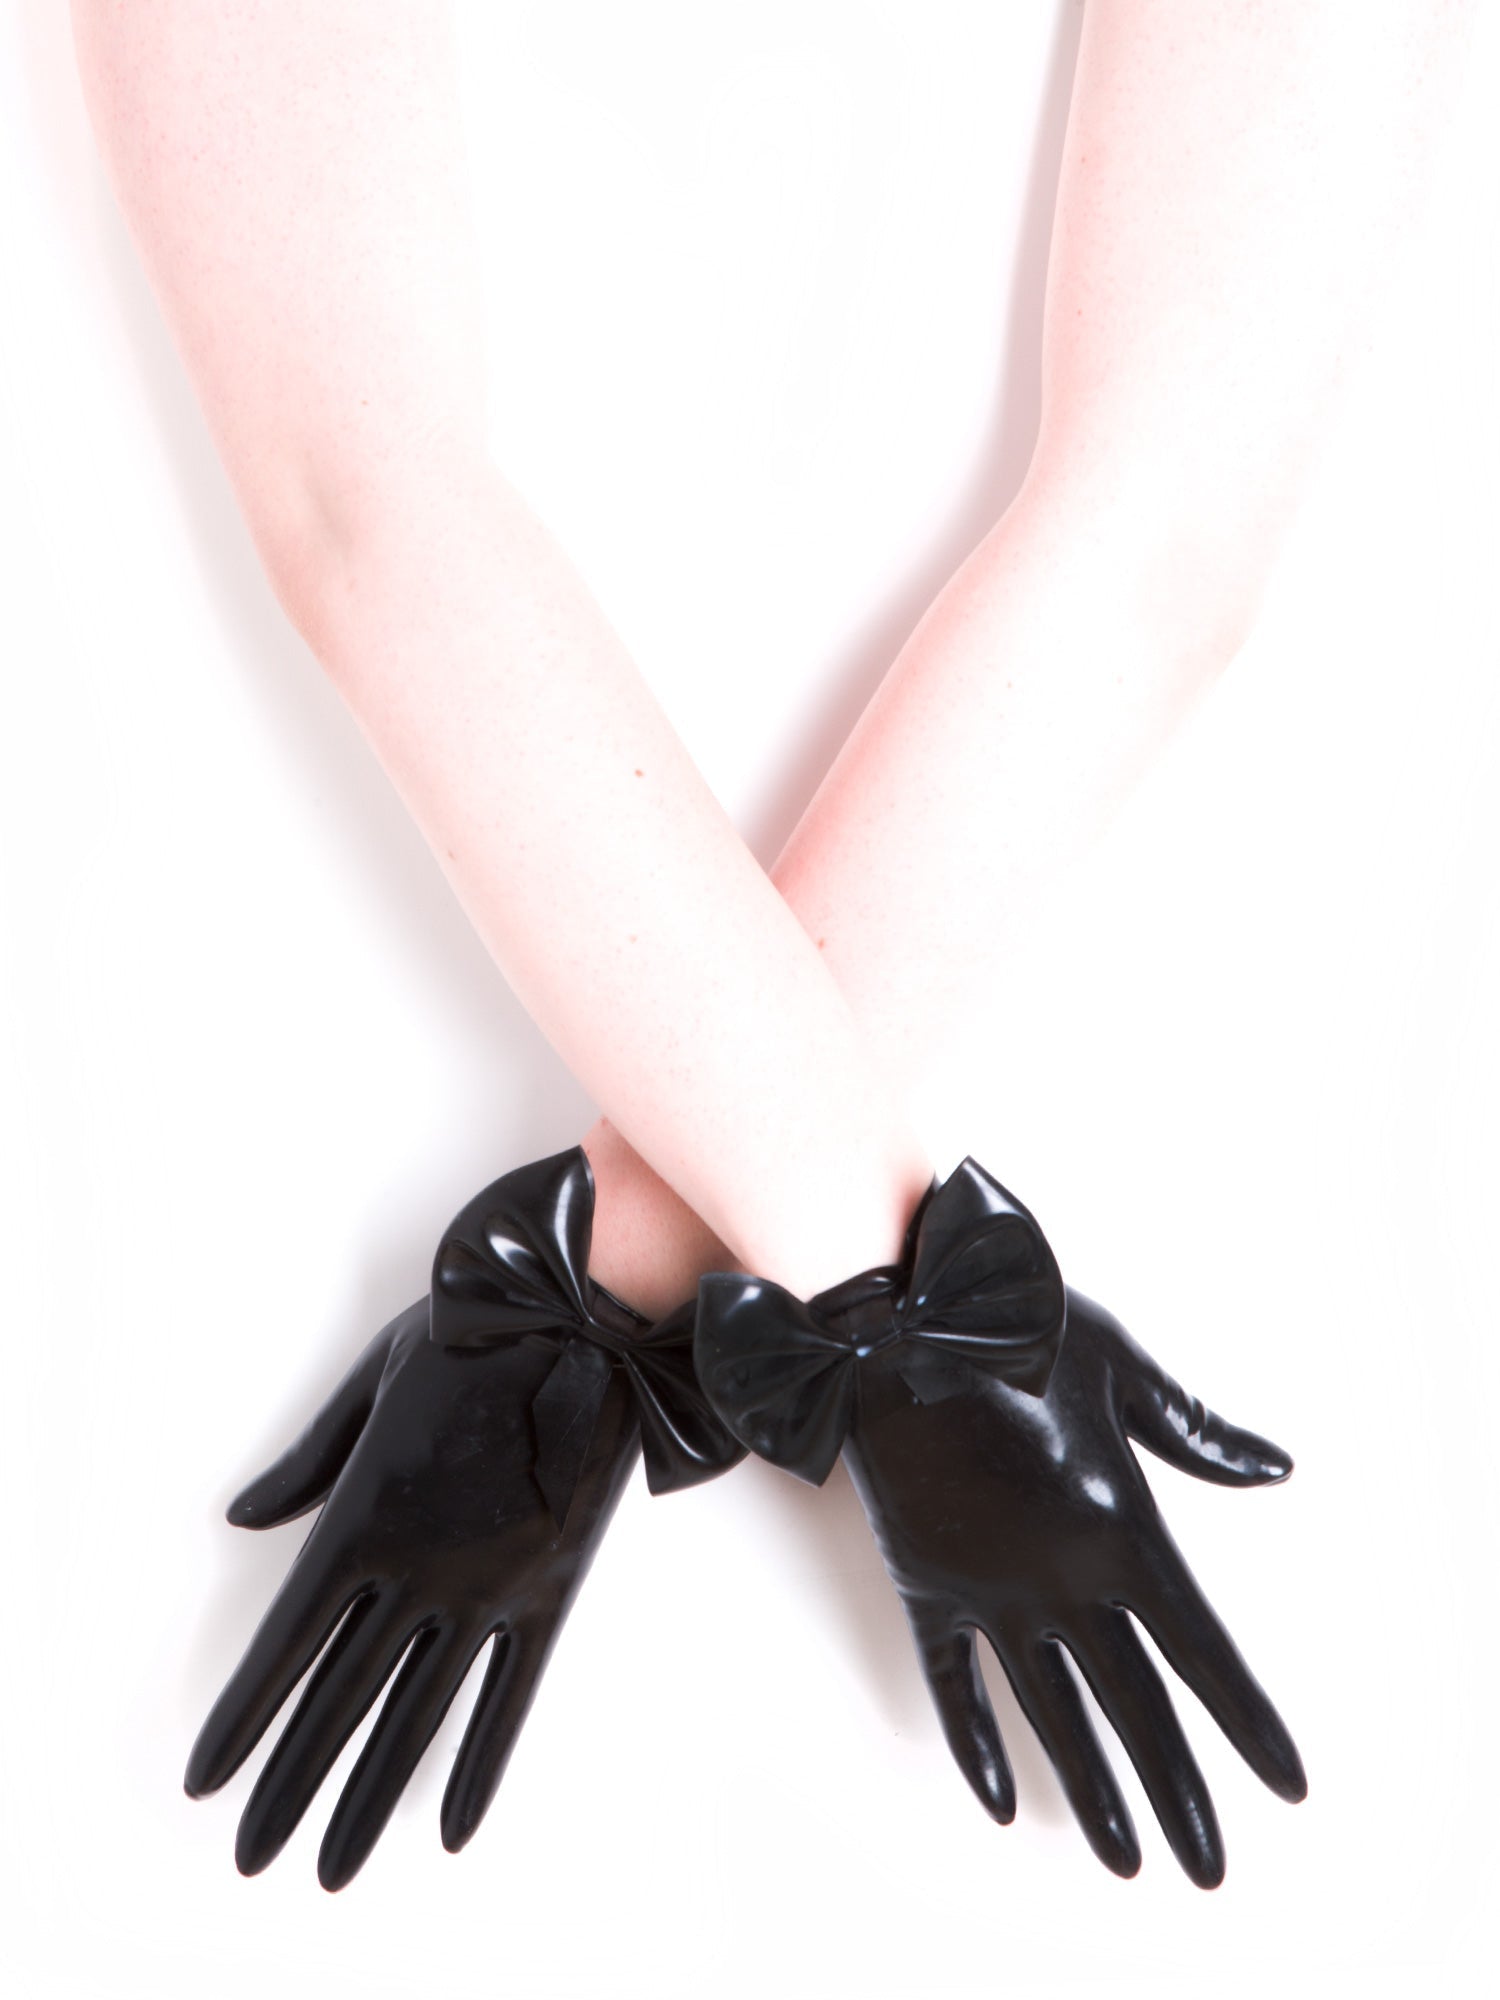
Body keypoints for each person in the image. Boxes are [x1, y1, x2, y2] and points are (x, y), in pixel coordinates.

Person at [69, 0, 1471, 1891]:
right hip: (325, 1096)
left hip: (557, 1207)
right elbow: (356, 497)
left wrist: (646, 1283)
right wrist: (887, 1300)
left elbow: (1168, 533)